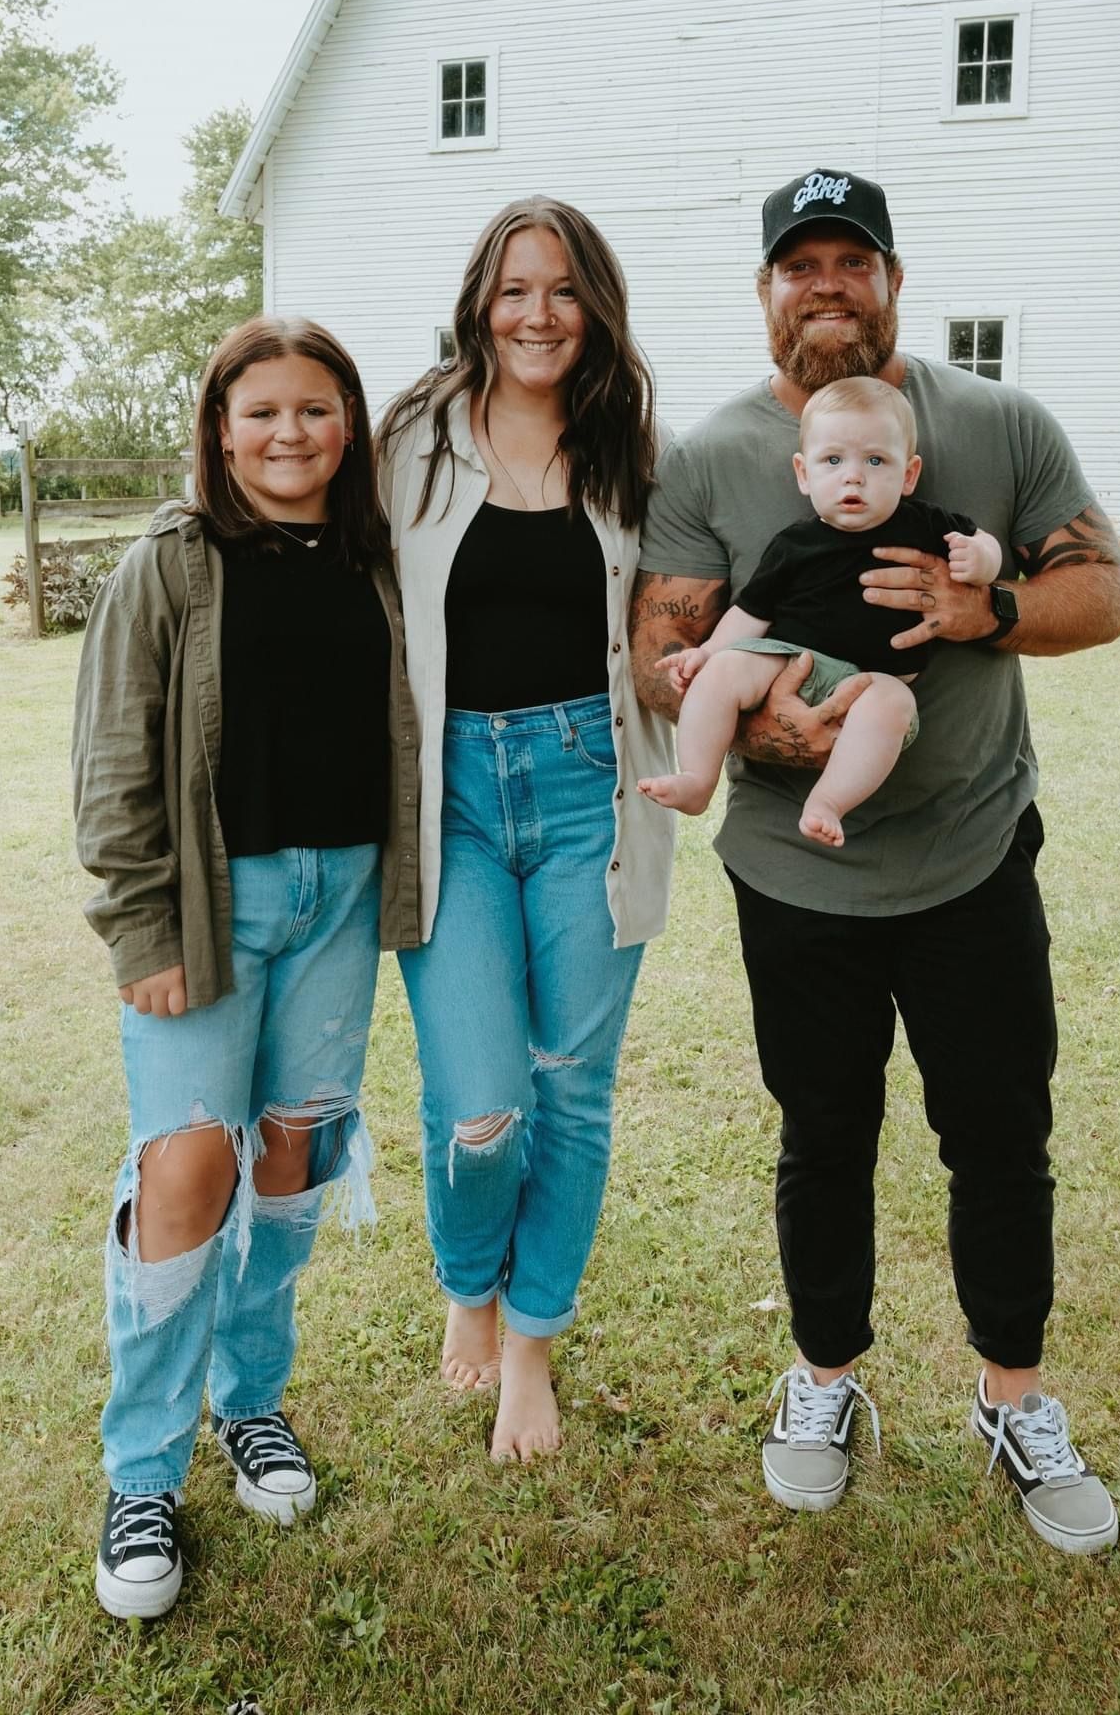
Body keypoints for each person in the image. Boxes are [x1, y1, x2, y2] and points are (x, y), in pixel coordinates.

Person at [630, 168, 1120, 1555]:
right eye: (802, 265)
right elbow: (662, 641)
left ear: (893, 282)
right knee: (822, 1135)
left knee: (996, 1135)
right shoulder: (713, 457)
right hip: (797, 886)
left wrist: (992, 607)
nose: (828, 284)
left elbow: (1103, 593)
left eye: (854, 260)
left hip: (972, 859)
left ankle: (1013, 1399)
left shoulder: (994, 424)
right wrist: (760, 717)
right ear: (766, 295)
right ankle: (824, 1383)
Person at [72, 317, 420, 1619]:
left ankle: (250, 1401)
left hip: (340, 897)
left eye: (316, 409)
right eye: (260, 410)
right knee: (185, 1165)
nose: (289, 433)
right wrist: (141, 928)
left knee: (290, 1153)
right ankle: (141, 1471)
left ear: (351, 425)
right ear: (221, 427)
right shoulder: (170, 563)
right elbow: (112, 762)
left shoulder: (379, 561)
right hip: (212, 908)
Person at [378, 197, 675, 1463]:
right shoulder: (410, 441)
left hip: (584, 787)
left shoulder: (629, 453)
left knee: (572, 1088)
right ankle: (468, 1278)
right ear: (479, 302)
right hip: (446, 794)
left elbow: (682, 620)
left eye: (561, 289)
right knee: (480, 1102)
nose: (538, 313)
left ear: (592, 305)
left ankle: (531, 1340)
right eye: (515, 288)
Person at [638, 375, 1001, 843]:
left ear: (908, 475)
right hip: (790, 659)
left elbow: (983, 542)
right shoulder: (794, 544)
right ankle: (697, 778)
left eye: (875, 460)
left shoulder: (928, 525)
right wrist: (705, 655)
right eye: (832, 460)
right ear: (803, 473)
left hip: (873, 678)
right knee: (725, 669)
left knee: (893, 706)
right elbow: (750, 614)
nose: (853, 476)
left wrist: (983, 560)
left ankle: (828, 801)